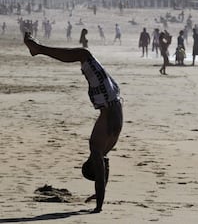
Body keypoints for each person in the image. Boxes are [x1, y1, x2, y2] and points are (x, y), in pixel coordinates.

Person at [23, 32, 123, 213]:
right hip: (109, 97)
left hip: (107, 98)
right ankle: (37, 49)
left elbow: (102, 176)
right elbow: (102, 176)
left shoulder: (98, 147)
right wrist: (99, 202)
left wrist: (99, 199)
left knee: (83, 54)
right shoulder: (101, 150)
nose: (92, 159)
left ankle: (38, 49)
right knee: (83, 54)